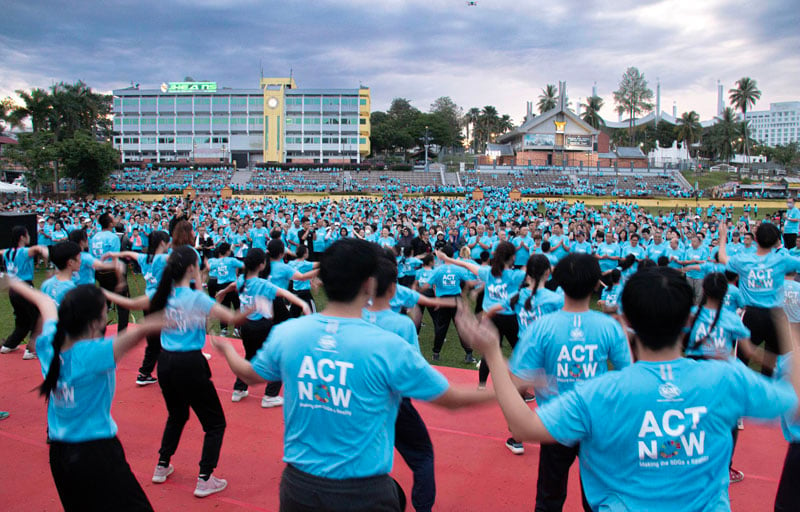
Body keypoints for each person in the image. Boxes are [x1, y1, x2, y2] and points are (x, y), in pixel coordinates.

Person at [457, 266, 800, 511]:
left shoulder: (601, 391)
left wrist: (492, 353)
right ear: (686, 321)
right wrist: (789, 325)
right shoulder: (727, 379)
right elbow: (793, 400)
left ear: (629, 322)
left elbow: (522, 427)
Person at [211, 238, 494, 512]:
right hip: (362, 493)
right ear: (369, 283)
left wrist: (227, 350)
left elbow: (249, 374)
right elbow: (452, 398)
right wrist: (511, 377)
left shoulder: (289, 333)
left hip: (298, 488)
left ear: (323, 281)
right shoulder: (387, 344)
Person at [103, 246, 252, 498]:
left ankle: (162, 465)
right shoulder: (196, 297)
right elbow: (234, 319)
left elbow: (129, 302)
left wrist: (104, 293)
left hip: (166, 364)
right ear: (193, 268)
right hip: (190, 364)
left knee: (177, 415)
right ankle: (205, 478)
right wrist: (251, 307)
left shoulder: (162, 294)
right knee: (215, 423)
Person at [6, 278, 164, 511]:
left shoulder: (49, 341)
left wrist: (12, 282)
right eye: (104, 313)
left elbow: (45, 301)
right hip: (97, 454)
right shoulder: (95, 353)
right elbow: (139, 332)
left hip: (60, 455)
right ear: (94, 323)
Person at [499, 253, 631, 512]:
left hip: (555, 422)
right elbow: (628, 376)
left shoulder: (542, 327)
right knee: (600, 498)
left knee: (549, 496)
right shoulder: (609, 327)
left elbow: (516, 381)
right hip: (596, 422)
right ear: (596, 284)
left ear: (558, 281)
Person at [363, 251, 436, 512]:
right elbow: (414, 368)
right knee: (423, 456)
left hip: (355, 397)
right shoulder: (402, 325)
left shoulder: (352, 314)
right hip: (393, 399)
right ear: (393, 287)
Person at [217, 248, 310, 405]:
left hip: (245, 326)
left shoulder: (242, 280)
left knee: (249, 355)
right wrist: (303, 304)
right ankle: (270, 395)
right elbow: (285, 293)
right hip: (262, 326)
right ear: (262, 265)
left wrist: (223, 291)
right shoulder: (263, 284)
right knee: (277, 358)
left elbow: (233, 285)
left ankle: (239, 389)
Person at [437, 242, 525, 387]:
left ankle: (482, 385)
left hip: (489, 318)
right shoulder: (516, 275)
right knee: (520, 351)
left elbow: (465, 265)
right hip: (508, 317)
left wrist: (447, 258)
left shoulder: (488, 272)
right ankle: (520, 389)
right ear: (513, 258)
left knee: (489, 352)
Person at [719, 222, 800, 375]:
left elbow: (723, 258)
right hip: (776, 316)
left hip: (751, 315)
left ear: (755, 238)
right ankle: (777, 388)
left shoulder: (743, 260)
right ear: (777, 240)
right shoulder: (783, 259)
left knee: (740, 360)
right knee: (784, 359)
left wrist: (723, 237)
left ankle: (740, 391)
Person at [104, 231, 170, 385]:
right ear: (162, 243)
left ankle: (144, 373)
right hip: (161, 303)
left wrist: (114, 254)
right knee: (167, 339)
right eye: (167, 243)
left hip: (147, 302)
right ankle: (163, 374)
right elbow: (183, 257)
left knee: (153, 341)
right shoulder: (162, 258)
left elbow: (131, 254)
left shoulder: (145, 258)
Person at [1, 226, 49, 359]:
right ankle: (31, 350)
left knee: (23, 320)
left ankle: (9, 345)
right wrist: (44, 251)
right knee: (38, 317)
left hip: (13, 290)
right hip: (25, 288)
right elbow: (37, 249)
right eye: (27, 234)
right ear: (22, 237)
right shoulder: (24, 252)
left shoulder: (8, 252)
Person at [427, 244, 477, 363]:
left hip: (443, 300)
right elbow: (468, 282)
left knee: (441, 327)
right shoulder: (458, 269)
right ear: (453, 255)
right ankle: (469, 354)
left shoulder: (438, 269)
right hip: (455, 300)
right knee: (461, 327)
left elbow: (430, 284)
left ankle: (436, 353)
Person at [90, 213, 130, 332]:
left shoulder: (95, 237)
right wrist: (121, 280)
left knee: (104, 304)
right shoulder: (113, 238)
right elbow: (115, 259)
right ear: (110, 223)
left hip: (99, 273)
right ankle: (122, 335)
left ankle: (100, 332)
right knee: (123, 305)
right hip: (112, 273)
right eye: (113, 219)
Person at [41, 242, 81, 307]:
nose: (80, 261)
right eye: (79, 258)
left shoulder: (46, 284)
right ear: (70, 262)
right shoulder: (71, 289)